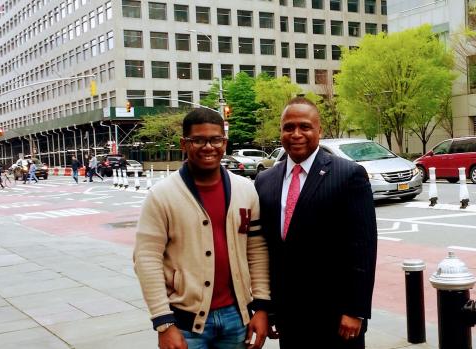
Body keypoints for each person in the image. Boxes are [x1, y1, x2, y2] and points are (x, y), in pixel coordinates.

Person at [134, 108, 270, 349]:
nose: (209, 147)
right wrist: (164, 323)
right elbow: (146, 259)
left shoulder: (245, 190)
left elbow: (256, 249)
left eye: (216, 139)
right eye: (198, 140)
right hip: (185, 322)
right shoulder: (162, 195)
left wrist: (260, 306)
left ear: (225, 143)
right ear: (184, 144)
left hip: (237, 317)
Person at [254, 97, 378, 349]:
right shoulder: (265, 180)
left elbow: (363, 248)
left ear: (319, 131)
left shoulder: (348, 174)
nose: (296, 134)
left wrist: (356, 310)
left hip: (338, 316)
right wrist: (267, 308)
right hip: (289, 315)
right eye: (288, 127)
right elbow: (265, 249)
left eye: (305, 127)